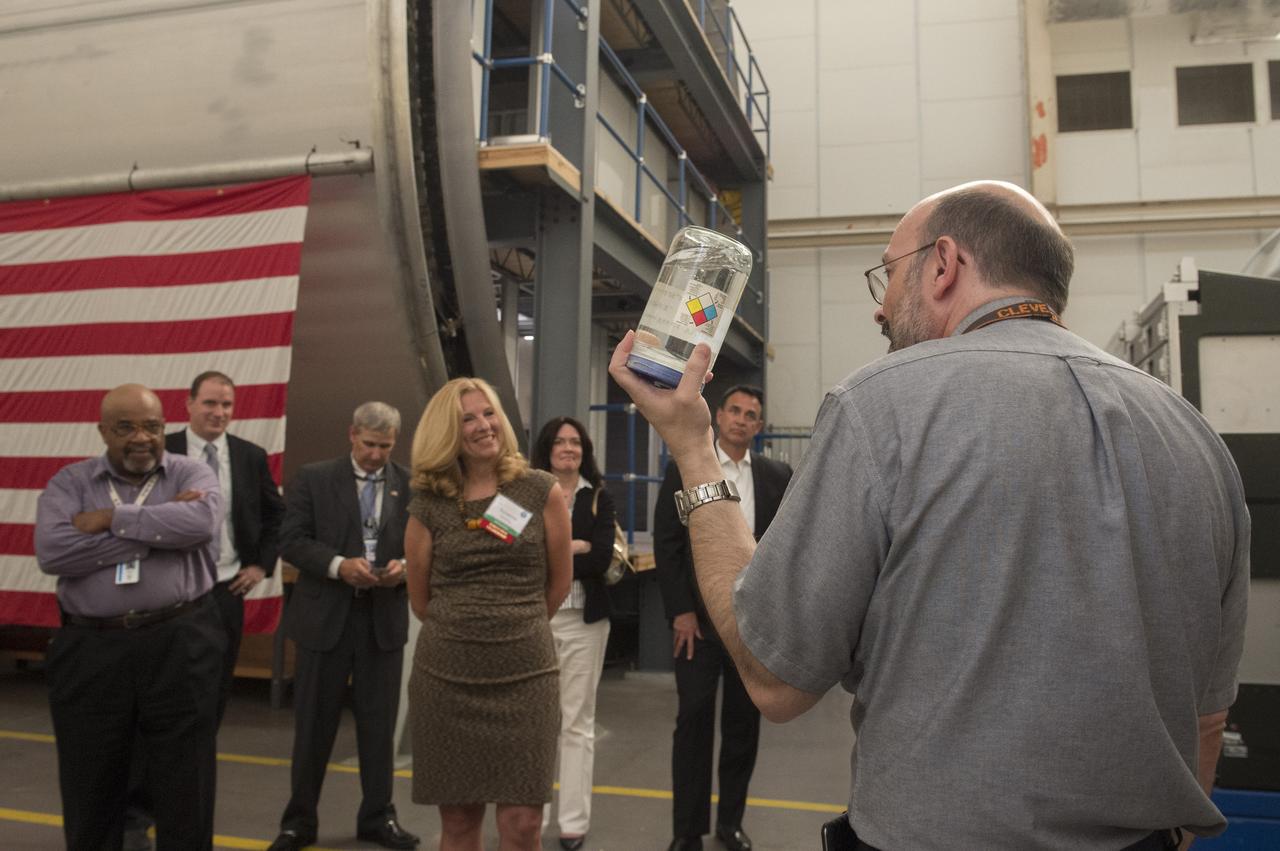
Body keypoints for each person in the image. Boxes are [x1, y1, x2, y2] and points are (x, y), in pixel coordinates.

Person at [608, 181, 1250, 851]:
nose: (881, 308)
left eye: (887, 275)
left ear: (943, 265)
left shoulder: (882, 406)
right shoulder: (1196, 439)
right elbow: (1205, 718)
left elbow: (774, 676)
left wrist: (690, 444)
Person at [34, 384, 226, 851]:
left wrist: (108, 520)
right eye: (126, 427)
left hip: (180, 641)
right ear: (103, 431)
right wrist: (158, 531)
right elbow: (55, 550)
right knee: (91, 778)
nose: (141, 437)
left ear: (165, 427)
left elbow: (200, 523)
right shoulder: (70, 482)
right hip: (92, 649)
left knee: (186, 781)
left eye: (152, 426)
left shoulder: (191, 471)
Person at [403, 377, 572, 851]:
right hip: (446, 680)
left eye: (489, 413)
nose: (484, 426)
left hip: (526, 678)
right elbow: (421, 600)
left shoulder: (540, 491)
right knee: (458, 823)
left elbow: (558, 584)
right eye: (468, 419)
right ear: (446, 434)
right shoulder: (428, 505)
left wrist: (513, 623)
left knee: (523, 825)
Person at [267, 402, 419, 851]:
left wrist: (405, 567)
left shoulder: (409, 484)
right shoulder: (314, 478)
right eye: (369, 445)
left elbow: (426, 543)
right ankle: (298, 822)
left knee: (379, 727)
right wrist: (337, 566)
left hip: (382, 622)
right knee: (313, 727)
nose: (376, 455)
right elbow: (290, 541)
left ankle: (378, 816)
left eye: (385, 447)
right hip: (324, 620)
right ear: (352, 434)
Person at [653, 386, 792, 851]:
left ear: (758, 426)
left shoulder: (777, 477)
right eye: (734, 410)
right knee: (692, 720)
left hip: (751, 626)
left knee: (742, 726)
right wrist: (681, 612)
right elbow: (669, 547)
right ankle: (685, 831)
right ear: (718, 415)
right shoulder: (686, 469)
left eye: (751, 414)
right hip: (698, 625)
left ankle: (730, 823)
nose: (740, 419)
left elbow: (784, 550)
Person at [168, 370, 285, 724]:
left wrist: (260, 565)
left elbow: (277, 517)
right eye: (210, 403)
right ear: (189, 404)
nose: (219, 412)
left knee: (216, 689)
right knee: (170, 687)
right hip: (172, 592)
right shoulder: (162, 451)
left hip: (226, 590)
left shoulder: (249, 456)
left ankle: (203, 757)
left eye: (226, 404)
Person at [529, 416, 619, 851]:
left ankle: (572, 824)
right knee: (536, 722)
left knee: (577, 724)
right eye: (560, 442)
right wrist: (575, 546)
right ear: (547, 449)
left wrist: (559, 550)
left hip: (586, 623)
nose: (568, 448)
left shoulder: (598, 496)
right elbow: (519, 551)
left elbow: (601, 558)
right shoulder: (526, 492)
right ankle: (533, 816)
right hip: (534, 622)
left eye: (575, 442)